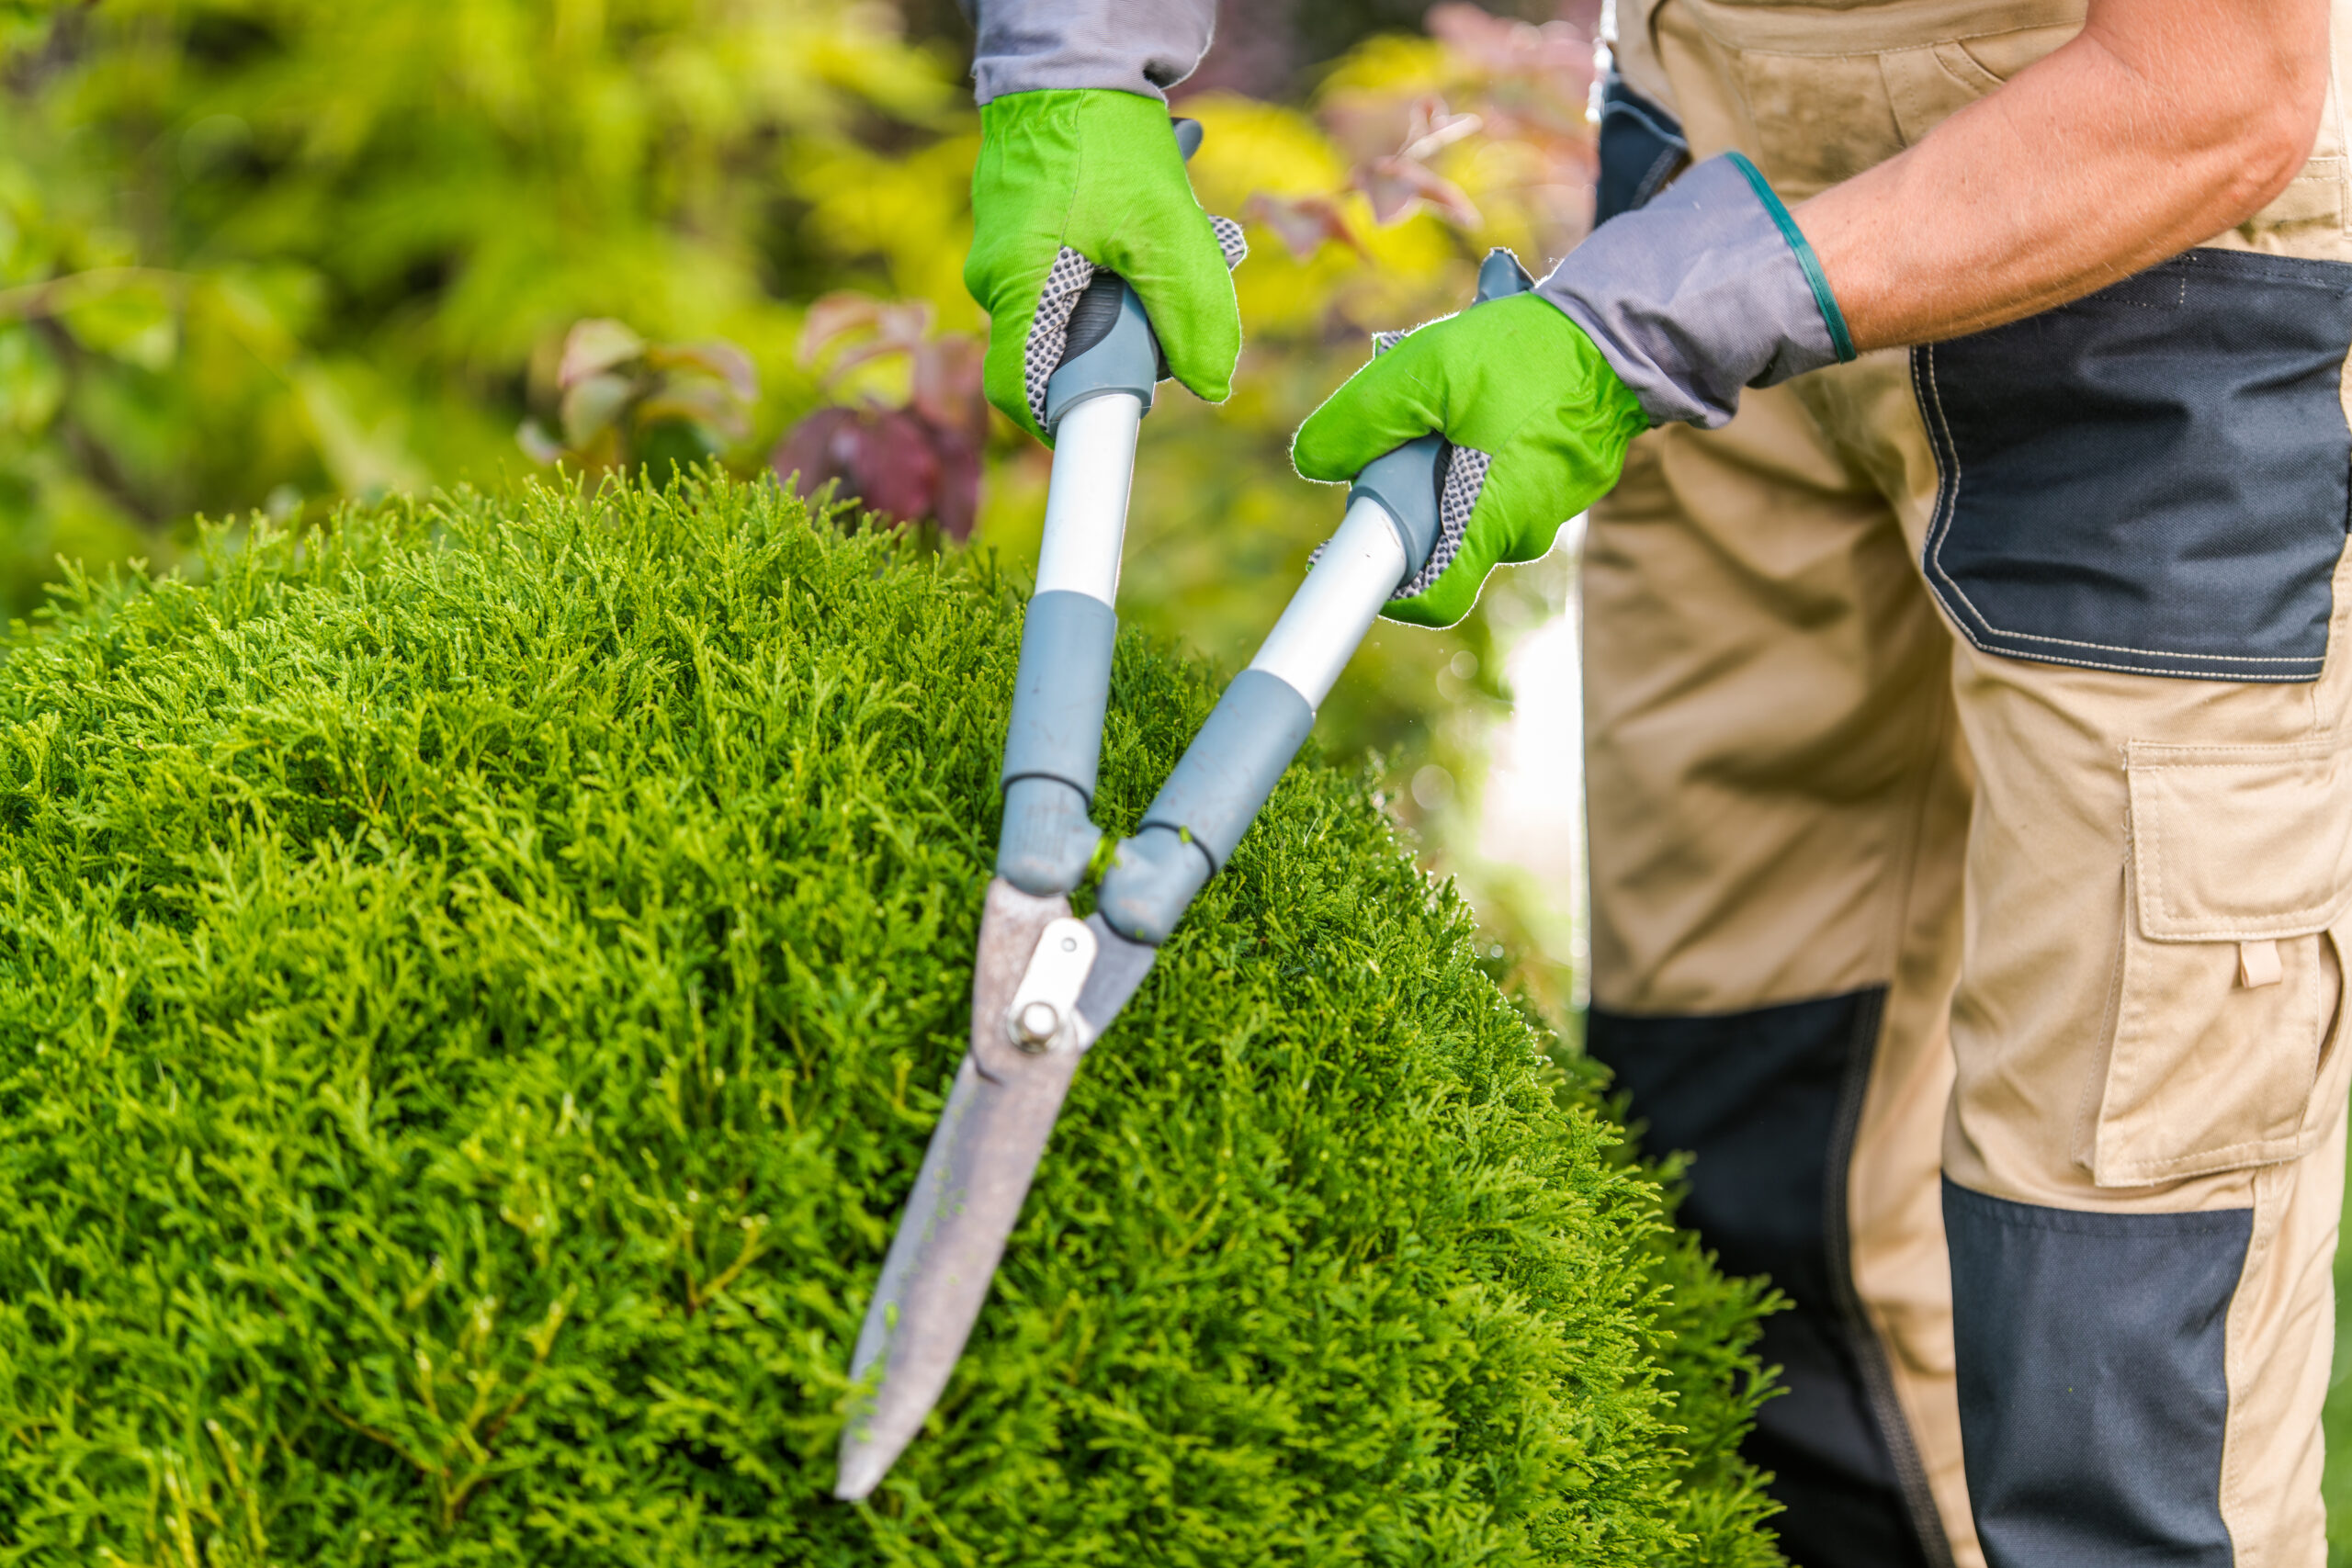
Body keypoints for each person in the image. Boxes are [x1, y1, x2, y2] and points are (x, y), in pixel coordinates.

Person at [956, 1, 2349, 1562]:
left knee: (2109, 1312)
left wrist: (1649, 324)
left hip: (2151, 241)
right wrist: (1074, 65)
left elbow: (2217, 90)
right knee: (1752, 1175)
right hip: (1712, 154)